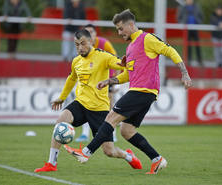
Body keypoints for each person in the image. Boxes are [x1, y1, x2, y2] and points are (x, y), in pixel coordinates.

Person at [66, 9, 192, 174]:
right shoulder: (131, 46)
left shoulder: (147, 38)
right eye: (117, 29)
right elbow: (128, 74)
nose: (119, 32)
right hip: (141, 92)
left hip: (143, 91)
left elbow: (169, 50)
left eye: (120, 28)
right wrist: (108, 81)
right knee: (127, 131)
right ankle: (157, 159)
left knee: (111, 117)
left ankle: (87, 152)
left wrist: (184, 73)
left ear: (131, 25)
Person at [34, 29, 142, 172]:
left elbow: (119, 64)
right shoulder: (76, 61)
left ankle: (128, 156)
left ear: (91, 41)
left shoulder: (102, 56)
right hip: (81, 104)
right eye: (76, 44)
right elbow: (72, 78)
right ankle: (51, 163)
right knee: (61, 122)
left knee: (109, 151)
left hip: (99, 110)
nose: (79, 48)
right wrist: (62, 97)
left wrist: (124, 63)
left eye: (83, 44)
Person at [75, 24, 118, 142]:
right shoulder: (82, 46)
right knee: (84, 103)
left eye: (91, 32)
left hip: (105, 79)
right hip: (88, 79)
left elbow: (115, 59)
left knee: (109, 106)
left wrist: (113, 79)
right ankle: (84, 133)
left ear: (95, 34)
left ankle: (112, 133)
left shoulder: (104, 43)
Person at [177, 0, 203, 66]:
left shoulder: (197, 6)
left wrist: (198, 22)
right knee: (188, 45)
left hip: (195, 28)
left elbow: (201, 16)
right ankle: (188, 61)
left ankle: (200, 61)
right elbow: (178, 17)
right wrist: (182, 23)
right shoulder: (182, 7)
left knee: (197, 45)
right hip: (186, 29)